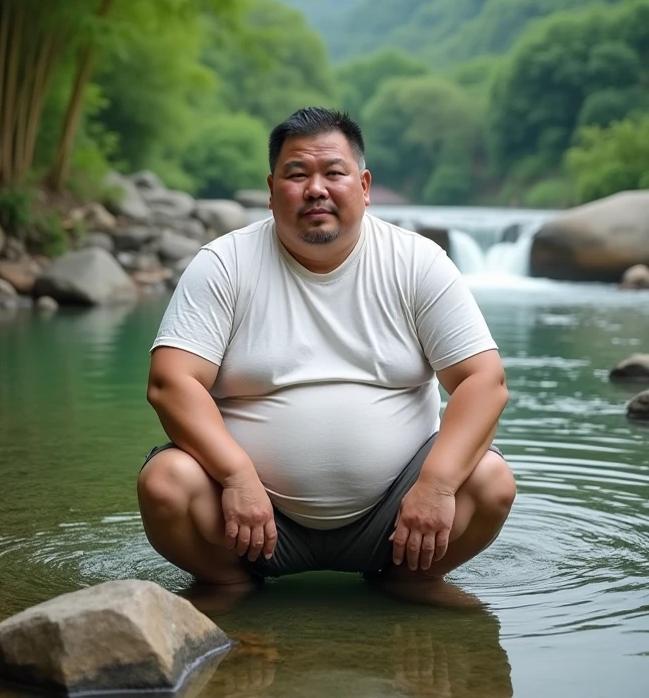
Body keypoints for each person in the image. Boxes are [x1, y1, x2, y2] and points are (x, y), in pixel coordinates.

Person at [138, 107, 515, 594]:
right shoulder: (225, 263)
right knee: (166, 482)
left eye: (333, 172)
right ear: (272, 191)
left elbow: (484, 382)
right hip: (249, 519)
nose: (315, 188)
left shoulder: (417, 262)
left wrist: (437, 485)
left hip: (398, 518)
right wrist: (234, 476)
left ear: (363, 186)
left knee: (491, 481)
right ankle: (229, 588)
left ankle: (408, 584)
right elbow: (171, 382)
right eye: (297, 174)